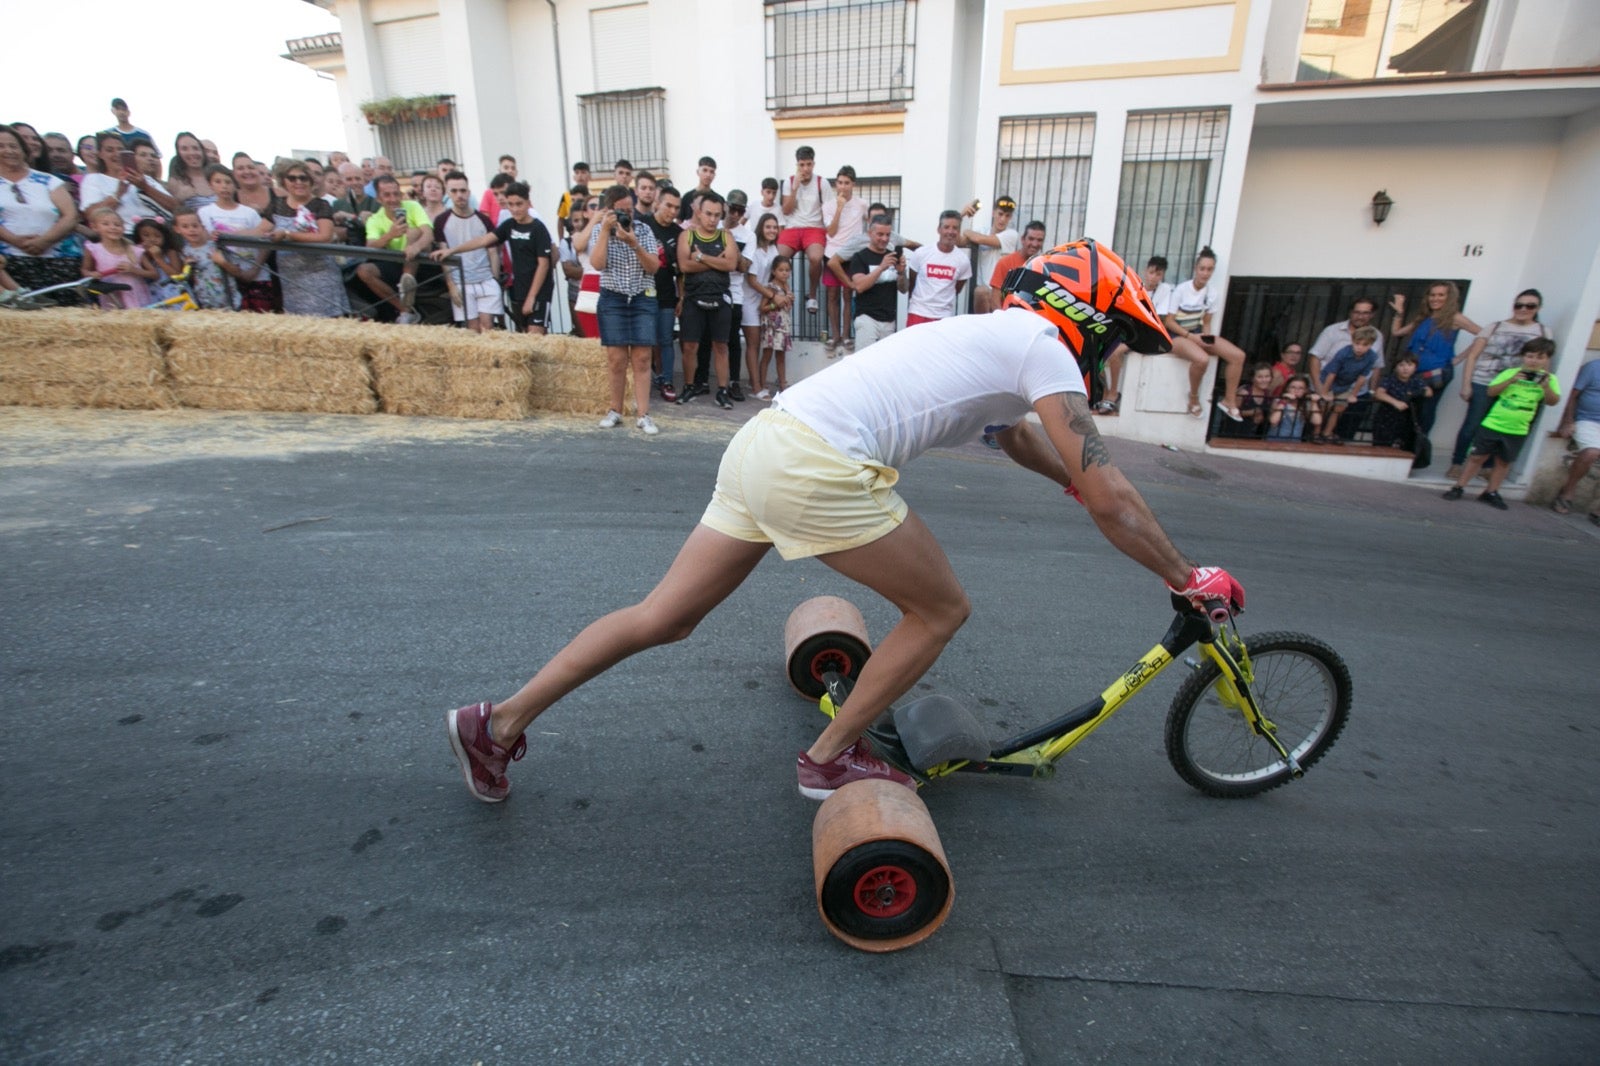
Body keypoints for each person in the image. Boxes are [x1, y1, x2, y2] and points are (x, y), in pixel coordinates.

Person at [442, 239, 1244, 805]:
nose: (1112, 356)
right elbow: (1114, 496)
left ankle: (497, 720)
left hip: (765, 444)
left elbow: (1018, 436)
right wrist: (1186, 576)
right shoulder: (1044, 347)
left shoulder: (993, 335)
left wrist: (1074, 480)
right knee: (941, 609)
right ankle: (830, 761)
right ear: (1093, 317)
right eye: (1118, 338)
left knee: (664, 617)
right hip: (815, 462)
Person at [1442, 338, 1560, 510]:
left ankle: (1491, 492)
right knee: (1476, 457)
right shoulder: (1510, 373)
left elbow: (1553, 401)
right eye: (1530, 356)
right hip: (1494, 423)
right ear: (1523, 357)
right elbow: (1491, 391)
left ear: (1547, 359)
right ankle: (1459, 487)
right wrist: (1510, 380)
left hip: (1518, 428)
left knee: (1504, 462)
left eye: (1540, 357)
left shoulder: (1550, 379)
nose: (1534, 361)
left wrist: (1546, 387)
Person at [1448, 290, 1552, 480]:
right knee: (1472, 425)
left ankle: (1487, 467)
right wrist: (1466, 385)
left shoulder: (1543, 331)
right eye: (1518, 305)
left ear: (1538, 308)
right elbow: (1473, 355)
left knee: (1499, 429)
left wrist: (1542, 387)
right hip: (1484, 381)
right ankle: (1457, 463)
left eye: (1529, 306)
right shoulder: (1494, 327)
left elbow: (1545, 361)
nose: (1523, 309)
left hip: (1518, 388)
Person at [592, 184, 663, 436]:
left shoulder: (643, 230)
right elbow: (597, 264)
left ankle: (643, 415)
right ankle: (615, 411)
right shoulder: (601, 230)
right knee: (616, 359)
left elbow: (654, 266)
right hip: (613, 297)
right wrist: (604, 231)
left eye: (629, 211)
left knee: (643, 358)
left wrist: (634, 243)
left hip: (642, 296)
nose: (627, 216)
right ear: (609, 210)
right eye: (621, 211)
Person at [1161, 246, 1246, 421]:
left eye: (1210, 269)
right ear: (1196, 269)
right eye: (1203, 269)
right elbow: (1169, 321)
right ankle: (1193, 398)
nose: (1205, 273)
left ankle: (1229, 401)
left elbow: (1207, 322)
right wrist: (1191, 337)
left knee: (1238, 356)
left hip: (1197, 334)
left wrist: (1207, 340)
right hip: (1177, 336)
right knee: (1201, 359)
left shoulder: (1212, 294)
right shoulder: (1181, 290)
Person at [0, 124, 82, 296]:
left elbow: (70, 215)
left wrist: (44, 241)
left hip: (59, 260)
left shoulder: (48, 180)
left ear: (24, 151)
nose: (9, 151)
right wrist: (15, 240)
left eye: (14, 146)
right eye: (1, 146)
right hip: (10, 262)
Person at [675, 191, 738, 409]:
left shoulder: (726, 236)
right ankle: (690, 386)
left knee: (721, 346)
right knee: (690, 346)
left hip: (720, 299)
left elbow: (731, 264)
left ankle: (722, 390)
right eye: (709, 214)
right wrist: (716, 261)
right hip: (693, 298)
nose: (712, 219)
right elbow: (684, 266)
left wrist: (701, 257)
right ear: (699, 213)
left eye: (717, 215)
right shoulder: (687, 236)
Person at [1389, 282, 1479, 435]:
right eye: (1432, 295)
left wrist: (1461, 357)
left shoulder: (1455, 318)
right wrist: (1399, 312)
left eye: (1441, 295)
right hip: (1415, 370)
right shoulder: (1424, 318)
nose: (1435, 298)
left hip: (1437, 371)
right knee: (1411, 408)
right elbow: (1397, 332)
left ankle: (1418, 449)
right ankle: (1406, 445)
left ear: (1449, 297)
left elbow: (1484, 335)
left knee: (1425, 410)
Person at [266, 160, 349, 318]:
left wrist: (288, 235)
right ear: (284, 180)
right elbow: (258, 230)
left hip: (321, 276)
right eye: (292, 178)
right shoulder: (276, 206)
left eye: (303, 178)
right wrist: (222, 234)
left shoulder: (320, 205)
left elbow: (325, 236)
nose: (298, 182)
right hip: (291, 280)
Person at [425, 171, 506, 334]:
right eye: (454, 191)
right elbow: (444, 254)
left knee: (488, 328)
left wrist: (495, 279)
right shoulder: (441, 221)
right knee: (473, 330)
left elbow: (492, 253)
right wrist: (451, 285)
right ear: (448, 193)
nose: (459, 195)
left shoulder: (483, 220)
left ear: (468, 192)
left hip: (485, 279)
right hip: (461, 282)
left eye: (462, 190)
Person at [1098, 255, 1169, 414]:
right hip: (1127, 330)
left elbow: (1160, 320)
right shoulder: (1135, 286)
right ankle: (1103, 390)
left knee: (1115, 353)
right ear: (1146, 271)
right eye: (1151, 272)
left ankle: (1113, 393)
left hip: (1144, 334)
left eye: (1158, 274)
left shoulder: (1164, 291)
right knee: (1096, 346)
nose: (1153, 277)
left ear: (1162, 276)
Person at [357, 173, 431, 324]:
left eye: (396, 194)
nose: (393, 199)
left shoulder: (413, 206)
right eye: (387, 195)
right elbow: (370, 245)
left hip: (421, 260)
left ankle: (407, 281)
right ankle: (405, 309)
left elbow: (428, 234)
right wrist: (390, 235)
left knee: (413, 232)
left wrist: (415, 246)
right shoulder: (374, 219)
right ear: (378, 198)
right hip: (395, 261)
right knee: (363, 270)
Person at [196, 164, 268, 311]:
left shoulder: (249, 213)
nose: (224, 187)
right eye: (218, 182)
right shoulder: (204, 212)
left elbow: (265, 242)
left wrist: (255, 269)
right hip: (222, 276)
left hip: (254, 273)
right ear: (211, 185)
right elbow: (200, 241)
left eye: (228, 182)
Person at [821, 166, 868, 353]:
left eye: (847, 183)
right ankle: (835, 336)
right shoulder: (828, 206)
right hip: (832, 254)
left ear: (853, 184)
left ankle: (847, 336)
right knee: (832, 296)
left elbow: (870, 224)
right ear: (835, 184)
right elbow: (830, 231)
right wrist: (839, 208)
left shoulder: (862, 204)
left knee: (848, 295)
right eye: (840, 182)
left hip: (853, 255)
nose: (843, 186)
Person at [642, 187, 682, 402]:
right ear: (658, 202)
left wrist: (681, 297)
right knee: (644, 341)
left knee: (666, 340)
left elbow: (681, 272)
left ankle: (666, 380)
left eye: (676, 207)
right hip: (643, 294)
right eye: (668, 205)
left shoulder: (678, 233)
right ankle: (643, 381)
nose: (672, 211)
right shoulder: (643, 226)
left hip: (667, 295)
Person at [1549, 356, 1600, 520]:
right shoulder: (1593, 367)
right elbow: (1572, 395)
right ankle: (1567, 492)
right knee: (1591, 452)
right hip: (1588, 420)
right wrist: (1568, 421)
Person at [778, 145, 827, 314]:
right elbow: (786, 210)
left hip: (814, 227)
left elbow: (828, 210)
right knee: (778, 257)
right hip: (792, 227)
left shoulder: (822, 182)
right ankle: (782, 291)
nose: (805, 169)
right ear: (797, 165)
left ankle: (812, 295)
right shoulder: (789, 182)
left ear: (813, 164)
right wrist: (794, 189)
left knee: (816, 257)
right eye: (802, 165)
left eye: (808, 164)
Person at [1314, 324, 1382, 443]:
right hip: (1329, 381)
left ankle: (1327, 433)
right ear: (1352, 341)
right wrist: (1324, 392)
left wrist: (1353, 395)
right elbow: (1332, 373)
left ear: (1371, 345)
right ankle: (1316, 433)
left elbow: (1362, 377)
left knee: (1339, 408)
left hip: (1345, 385)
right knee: (1324, 406)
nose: (1359, 347)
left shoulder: (1372, 356)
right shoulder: (1344, 353)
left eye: (1364, 345)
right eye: (1357, 343)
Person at [847, 216, 905, 352]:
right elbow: (860, 286)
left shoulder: (892, 256)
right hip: (867, 318)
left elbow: (903, 289)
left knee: (886, 365)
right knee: (865, 363)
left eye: (888, 234)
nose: (885, 239)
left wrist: (902, 273)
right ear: (870, 233)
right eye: (880, 234)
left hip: (889, 320)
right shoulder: (859, 257)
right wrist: (881, 267)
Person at [81, 204, 156, 308]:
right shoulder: (93, 249)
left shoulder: (135, 250)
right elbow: (85, 270)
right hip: (111, 297)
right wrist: (92, 274)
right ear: (94, 227)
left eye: (117, 225)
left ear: (123, 227)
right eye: (106, 224)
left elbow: (154, 274)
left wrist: (134, 270)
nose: (113, 227)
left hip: (135, 296)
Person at [904, 210, 971, 326]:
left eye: (955, 228)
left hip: (943, 317)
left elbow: (956, 289)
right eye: (946, 227)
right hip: (917, 313)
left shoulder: (963, 260)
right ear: (939, 229)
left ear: (959, 231)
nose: (950, 231)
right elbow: (912, 285)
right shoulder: (921, 253)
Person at [959, 195, 1019, 314]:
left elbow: (981, 239)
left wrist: (967, 231)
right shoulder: (982, 231)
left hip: (1000, 293)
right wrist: (961, 216)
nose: (1002, 219)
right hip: (982, 293)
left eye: (1007, 216)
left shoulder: (1011, 235)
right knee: (981, 291)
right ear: (993, 213)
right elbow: (957, 242)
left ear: (1011, 217)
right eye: (1000, 214)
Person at [1309, 298, 1385, 384]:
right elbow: (1315, 358)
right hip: (1327, 387)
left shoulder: (1377, 335)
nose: (1360, 317)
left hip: (1357, 393)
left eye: (1365, 313)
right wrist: (1319, 388)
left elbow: (1377, 366)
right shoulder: (1332, 330)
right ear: (1350, 312)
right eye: (1357, 312)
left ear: (1372, 314)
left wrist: (1372, 391)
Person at [171, 209, 234, 310]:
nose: (191, 230)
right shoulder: (184, 252)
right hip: (205, 301)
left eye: (195, 226)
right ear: (177, 229)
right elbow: (189, 278)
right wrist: (187, 267)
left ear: (202, 227)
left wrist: (223, 262)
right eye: (185, 227)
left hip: (228, 299)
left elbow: (236, 271)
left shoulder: (216, 247)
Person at [1370, 354, 1431, 450]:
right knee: (1381, 447)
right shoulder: (1389, 379)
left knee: (1403, 449)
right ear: (1396, 367)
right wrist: (1395, 402)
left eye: (1409, 365)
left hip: (1407, 421)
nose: (1405, 368)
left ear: (1415, 368)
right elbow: (1379, 393)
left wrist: (1412, 394)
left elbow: (1428, 392)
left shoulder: (1416, 380)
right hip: (1386, 420)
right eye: (1401, 365)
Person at [758, 255, 794, 399]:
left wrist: (789, 301)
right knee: (767, 355)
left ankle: (783, 384)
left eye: (787, 270)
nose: (784, 273)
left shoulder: (787, 287)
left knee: (781, 356)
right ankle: (762, 384)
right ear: (774, 271)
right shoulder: (770, 287)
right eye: (781, 270)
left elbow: (787, 308)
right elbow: (762, 308)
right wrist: (774, 304)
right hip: (771, 327)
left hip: (783, 326)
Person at [133, 218, 186, 304]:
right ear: (138, 237)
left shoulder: (170, 252)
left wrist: (158, 258)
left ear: (164, 237)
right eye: (146, 235)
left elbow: (176, 275)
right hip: (152, 295)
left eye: (157, 236)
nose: (152, 239)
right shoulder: (138, 254)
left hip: (173, 293)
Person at [329, 162, 379, 246]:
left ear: (363, 180)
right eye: (349, 179)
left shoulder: (376, 202)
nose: (355, 182)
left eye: (358, 178)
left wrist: (347, 216)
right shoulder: (337, 204)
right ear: (341, 182)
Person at [165, 133, 212, 211]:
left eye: (195, 148)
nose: (192, 153)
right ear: (178, 153)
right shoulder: (176, 182)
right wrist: (180, 198)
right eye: (184, 149)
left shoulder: (215, 176)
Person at [1266, 375, 1318, 442]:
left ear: (1305, 390)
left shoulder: (1306, 404)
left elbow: (1317, 421)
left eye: (1301, 388)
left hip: (1294, 444)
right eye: (1293, 387)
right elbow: (1273, 421)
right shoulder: (1278, 401)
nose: (1296, 390)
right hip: (1275, 442)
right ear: (1287, 388)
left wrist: (1314, 403)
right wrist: (1284, 402)